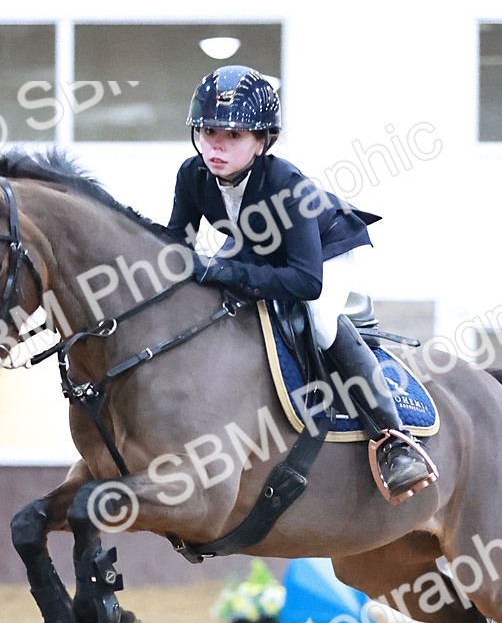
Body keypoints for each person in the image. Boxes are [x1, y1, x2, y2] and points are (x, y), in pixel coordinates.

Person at [165, 64, 435, 503]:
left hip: (323, 251)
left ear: (262, 141)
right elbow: (176, 244)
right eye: (208, 131)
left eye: (234, 135)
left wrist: (227, 272)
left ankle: (394, 440)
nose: (216, 145)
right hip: (258, 247)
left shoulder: (288, 185)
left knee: (322, 323)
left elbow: (306, 281)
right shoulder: (192, 175)